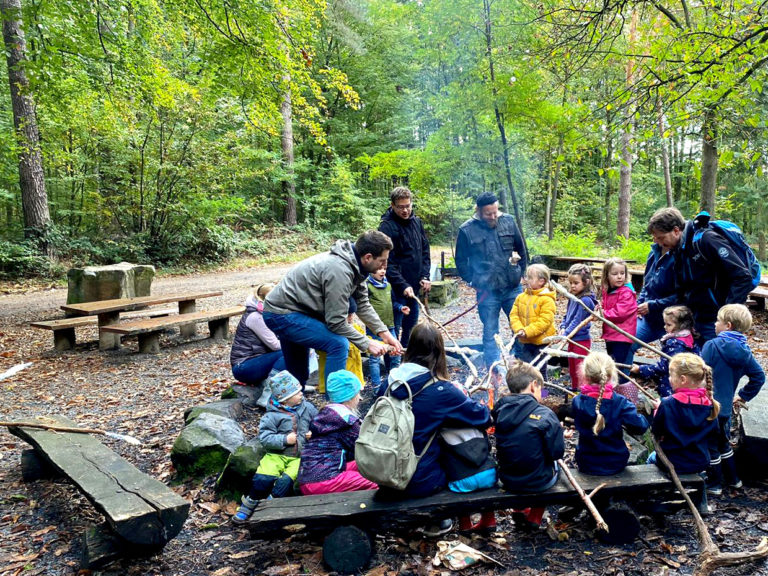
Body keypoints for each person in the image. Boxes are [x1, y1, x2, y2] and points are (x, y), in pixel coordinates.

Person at [383, 322, 491, 535]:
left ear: (410, 347)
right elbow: (483, 417)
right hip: (419, 481)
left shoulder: (389, 381)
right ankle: (440, 520)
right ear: (439, 352)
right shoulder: (441, 390)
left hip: (384, 474)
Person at [263, 230, 403, 390]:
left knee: (299, 370)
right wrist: (366, 343)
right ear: (368, 257)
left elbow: (363, 303)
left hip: (298, 310)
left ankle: (291, 405)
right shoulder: (340, 270)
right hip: (281, 313)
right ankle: (336, 405)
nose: (385, 266)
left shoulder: (357, 266)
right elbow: (336, 323)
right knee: (338, 344)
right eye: (383, 261)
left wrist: (384, 333)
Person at [647, 207, 753, 344]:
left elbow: (742, 276)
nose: (660, 243)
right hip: (697, 318)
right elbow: (682, 287)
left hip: (716, 319)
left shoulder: (706, 240)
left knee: (716, 361)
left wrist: (726, 315)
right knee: (697, 362)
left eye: (661, 238)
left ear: (676, 230)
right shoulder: (678, 249)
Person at [232, 371, 318, 523]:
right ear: (284, 400)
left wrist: (314, 432)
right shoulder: (271, 416)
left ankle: (269, 504)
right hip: (276, 455)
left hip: (299, 456)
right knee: (263, 477)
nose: (301, 394)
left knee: (286, 481)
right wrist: (285, 439)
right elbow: (265, 438)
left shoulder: (308, 408)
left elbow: (318, 422)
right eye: (296, 392)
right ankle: (250, 502)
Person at [455, 192, 527, 368]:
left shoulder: (509, 221)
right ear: (479, 211)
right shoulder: (466, 230)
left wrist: (522, 273)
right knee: (490, 332)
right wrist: (472, 280)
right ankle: (494, 373)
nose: (493, 216)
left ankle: (521, 367)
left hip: (512, 287)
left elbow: (522, 249)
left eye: (495, 212)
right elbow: (460, 261)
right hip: (487, 291)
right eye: (488, 213)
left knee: (521, 328)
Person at [701, 304, 765, 495]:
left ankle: (714, 485)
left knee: (711, 445)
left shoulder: (711, 346)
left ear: (727, 325)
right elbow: (759, 376)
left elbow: (699, 374)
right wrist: (743, 396)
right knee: (723, 443)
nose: (714, 324)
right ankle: (734, 480)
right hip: (726, 409)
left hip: (709, 407)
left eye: (717, 320)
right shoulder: (745, 351)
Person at [493, 362, 564, 530]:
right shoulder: (545, 414)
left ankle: (519, 508)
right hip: (538, 482)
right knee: (556, 466)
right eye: (541, 390)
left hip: (508, 479)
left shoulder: (499, 410)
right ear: (533, 386)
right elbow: (557, 453)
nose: (542, 395)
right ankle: (535, 515)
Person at [297, 370, 378, 495]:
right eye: (358, 393)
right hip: (323, 479)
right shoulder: (347, 421)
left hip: (307, 477)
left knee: (364, 466)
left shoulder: (325, 414)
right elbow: (364, 448)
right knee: (379, 483)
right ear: (350, 396)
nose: (360, 398)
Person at [572, 352, 649, 475]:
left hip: (586, 462)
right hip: (615, 462)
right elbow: (640, 427)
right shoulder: (620, 402)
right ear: (611, 374)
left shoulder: (577, 401)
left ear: (585, 375)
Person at [650, 353, 719, 480]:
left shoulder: (668, 404)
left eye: (671, 375)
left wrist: (658, 410)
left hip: (672, 461)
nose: (669, 378)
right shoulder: (710, 405)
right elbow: (714, 434)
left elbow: (656, 430)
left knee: (651, 458)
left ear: (682, 379)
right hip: (700, 461)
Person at [378, 186, 431, 347]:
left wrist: (425, 276)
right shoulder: (387, 227)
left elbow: (424, 251)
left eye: (408, 206)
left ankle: (407, 359)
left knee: (411, 328)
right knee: (393, 328)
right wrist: (402, 285)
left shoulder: (417, 222)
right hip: (395, 289)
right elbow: (387, 262)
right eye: (401, 207)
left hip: (414, 286)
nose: (405, 210)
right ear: (392, 205)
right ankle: (391, 364)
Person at [630, 305, 700, 398]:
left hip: (672, 383)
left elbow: (664, 366)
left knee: (670, 405)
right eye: (665, 323)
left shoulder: (675, 344)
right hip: (685, 381)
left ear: (680, 326)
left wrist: (640, 369)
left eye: (669, 325)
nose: (665, 327)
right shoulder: (689, 336)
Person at [635, 215, 679, 347]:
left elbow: (683, 295)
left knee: (672, 357)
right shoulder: (653, 253)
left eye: (660, 237)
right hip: (648, 319)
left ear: (676, 231)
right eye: (654, 237)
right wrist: (640, 304)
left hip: (673, 321)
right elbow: (647, 285)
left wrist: (653, 305)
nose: (657, 241)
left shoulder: (680, 257)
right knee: (626, 342)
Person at [230, 283, 285, 387]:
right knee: (288, 353)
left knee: (295, 350)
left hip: (256, 360)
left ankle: (296, 383)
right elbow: (275, 345)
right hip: (243, 367)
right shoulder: (256, 317)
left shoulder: (266, 313)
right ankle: (270, 390)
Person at [510, 263, 556, 380]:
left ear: (541, 281)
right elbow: (514, 315)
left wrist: (527, 331)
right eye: (526, 277)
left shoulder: (547, 299)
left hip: (541, 342)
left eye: (530, 277)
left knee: (540, 369)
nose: (526, 280)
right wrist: (519, 329)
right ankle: (528, 392)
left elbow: (544, 321)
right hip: (525, 341)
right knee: (526, 368)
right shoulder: (521, 297)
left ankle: (543, 394)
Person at [366, 267, 408, 391]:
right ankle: (376, 386)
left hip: (390, 327)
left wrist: (400, 308)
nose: (382, 271)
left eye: (384, 268)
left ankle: (393, 382)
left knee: (396, 354)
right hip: (374, 329)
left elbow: (392, 303)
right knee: (374, 359)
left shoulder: (388, 285)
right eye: (379, 269)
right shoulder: (367, 286)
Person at [559, 263, 597, 390]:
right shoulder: (573, 297)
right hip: (571, 338)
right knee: (572, 367)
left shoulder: (586, 300)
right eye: (571, 283)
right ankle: (574, 389)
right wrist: (563, 326)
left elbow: (577, 321)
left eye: (576, 283)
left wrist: (565, 334)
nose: (572, 286)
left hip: (581, 340)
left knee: (580, 368)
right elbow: (567, 316)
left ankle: (583, 391)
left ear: (585, 283)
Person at [317, 299, 365, 394]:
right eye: (348, 315)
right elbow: (320, 350)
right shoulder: (327, 330)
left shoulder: (355, 327)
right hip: (338, 383)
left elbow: (365, 341)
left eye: (352, 314)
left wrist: (384, 346)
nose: (351, 318)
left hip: (355, 377)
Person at [600, 257, 637, 382]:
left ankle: (618, 388)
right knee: (611, 361)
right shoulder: (608, 290)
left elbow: (620, 313)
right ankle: (612, 387)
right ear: (607, 275)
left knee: (617, 364)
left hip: (622, 335)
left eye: (622, 273)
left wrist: (602, 314)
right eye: (615, 274)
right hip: (611, 333)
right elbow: (605, 304)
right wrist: (599, 308)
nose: (619, 277)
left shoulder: (626, 292)